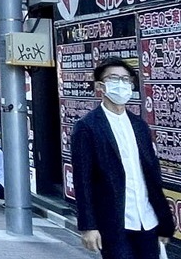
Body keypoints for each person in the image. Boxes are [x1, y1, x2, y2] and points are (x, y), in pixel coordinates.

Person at [71, 58, 174, 259]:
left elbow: (153, 177)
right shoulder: (87, 127)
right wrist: (88, 226)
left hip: (147, 219)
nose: (121, 84)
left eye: (126, 79)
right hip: (114, 222)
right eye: (114, 78)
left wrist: (164, 221)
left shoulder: (139, 126)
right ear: (100, 86)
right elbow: (82, 180)